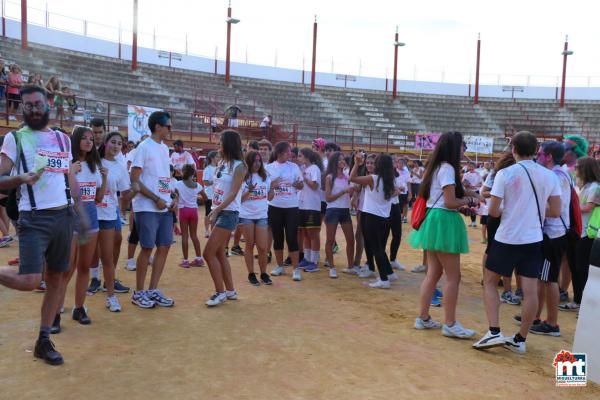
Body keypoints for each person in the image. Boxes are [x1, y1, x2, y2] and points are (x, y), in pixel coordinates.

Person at [0, 84, 78, 365]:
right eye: (28, 105)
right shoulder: (15, 139)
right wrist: (21, 179)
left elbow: (68, 179)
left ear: (48, 105)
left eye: (38, 104)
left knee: (57, 277)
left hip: (64, 216)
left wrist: (81, 213)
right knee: (32, 280)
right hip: (34, 218)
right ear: (22, 108)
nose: (34, 109)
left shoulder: (62, 139)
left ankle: (44, 339)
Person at [473, 131, 561, 354]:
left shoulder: (505, 173)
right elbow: (556, 211)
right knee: (530, 290)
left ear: (513, 149)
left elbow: (493, 211)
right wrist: (534, 209)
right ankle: (520, 339)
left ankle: (494, 331)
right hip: (533, 238)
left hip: (508, 236)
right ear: (536, 152)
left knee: (491, 282)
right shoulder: (550, 176)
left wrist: (511, 210)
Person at [410, 131, 477, 338]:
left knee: (433, 274)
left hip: (434, 220)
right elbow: (449, 202)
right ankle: (450, 323)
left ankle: (423, 317)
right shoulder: (448, 168)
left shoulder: (437, 166)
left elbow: (446, 197)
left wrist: (467, 196)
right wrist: (470, 201)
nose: (463, 150)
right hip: (444, 220)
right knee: (453, 276)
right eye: (461, 146)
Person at [515, 141, 570, 337]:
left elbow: (556, 210)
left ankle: (552, 323)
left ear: (548, 156)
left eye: (539, 154)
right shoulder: (558, 175)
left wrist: (531, 209)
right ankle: (535, 316)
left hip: (553, 233)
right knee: (543, 277)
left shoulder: (556, 176)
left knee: (549, 279)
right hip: (553, 232)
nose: (536, 156)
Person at [130, 111, 177, 308]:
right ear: (158, 126)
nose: (170, 129)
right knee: (147, 247)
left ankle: (152, 289)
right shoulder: (143, 147)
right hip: (147, 206)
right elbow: (135, 179)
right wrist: (156, 198)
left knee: (164, 246)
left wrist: (172, 196)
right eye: (168, 126)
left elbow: (164, 178)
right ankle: (139, 292)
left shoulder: (165, 149)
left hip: (164, 206)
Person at [203, 130, 246, 306]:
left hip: (228, 213)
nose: (217, 145)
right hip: (219, 211)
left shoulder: (239, 166)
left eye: (220, 142)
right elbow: (218, 189)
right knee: (219, 252)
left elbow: (234, 192)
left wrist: (217, 210)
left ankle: (219, 292)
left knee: (208, 253)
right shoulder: (222, 162)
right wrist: (214, 209)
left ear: (228, 144)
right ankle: (230, 290)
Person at [96, 131, 133, 312]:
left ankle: (111, 296)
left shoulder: (119, 166)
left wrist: (138, 188)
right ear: (105, 142)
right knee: (80, 259)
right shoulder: (92, 160)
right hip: (87, 214)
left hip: (108, 215)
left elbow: (125, 193)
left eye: (119, 143)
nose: (116, 146)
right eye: (113, 142)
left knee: (108, 258)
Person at [559, 157, 600, 312]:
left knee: (581, 269)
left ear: (585, 169)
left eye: (578, 167)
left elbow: (588, 208)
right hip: (577, 232)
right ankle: (577, 300)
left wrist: (569, 208)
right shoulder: (584, 186)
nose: (575, 169)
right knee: (575, 267)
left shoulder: (595, 187)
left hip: (586, 233)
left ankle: (583, 302)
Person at [350, 153, 395, 288]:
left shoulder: (373, 178)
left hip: (372, 217)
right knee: (379, 248)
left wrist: (357, 164)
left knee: (377, 250)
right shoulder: (390, 180)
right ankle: (389, 274)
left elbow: (352, 178)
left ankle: (384, 279)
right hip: (384, 218)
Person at [267, 141, 304, 281]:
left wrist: (298, 184)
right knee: (277, 237)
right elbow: (265, 187)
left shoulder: (294, 167)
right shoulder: (269, 167)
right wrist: (272, 184)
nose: (291, 154)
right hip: (274, 206)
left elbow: (301, 185)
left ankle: (296, 269)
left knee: (292, 237)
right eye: (288, 151)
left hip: (291, 207)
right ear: (281, 152)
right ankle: (280, 266)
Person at [559, 134, 589, 303]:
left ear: (574, 151)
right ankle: (560, 288)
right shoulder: (563, 169)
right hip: (565, 220)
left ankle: (563, 289)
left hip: (575, 222)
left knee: (569, 259)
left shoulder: (581, 171)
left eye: (566, 148)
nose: (563, 151)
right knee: (564, 257)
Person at [239, 150, 273, 285]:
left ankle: (264, 273)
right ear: (249, 162)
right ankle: (251, 274)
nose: (257, 163)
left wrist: (272, 190)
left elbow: (269, 197)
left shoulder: (265, 177)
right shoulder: (243, 177)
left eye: (259, 160)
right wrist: (250, 190)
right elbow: (240, 200)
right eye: (254, 160)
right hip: (246, 215)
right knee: (249, 245)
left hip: (261, 215)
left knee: (263, 247)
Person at [324, 151, 355, 278]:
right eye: (339, 160)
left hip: (345, 210)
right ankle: (332, 267)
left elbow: (350, 195)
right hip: (333, 210)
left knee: (351, 240)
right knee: (330, 240)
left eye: (343, 160)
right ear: (334, 162)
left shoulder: (348, 177)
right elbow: (328, 198)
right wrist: (344, 191)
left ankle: (351, 266)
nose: (342, 162)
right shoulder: (330, 177)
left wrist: (352, 192)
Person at [297, 148, 324, 273]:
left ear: (307, 157)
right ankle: (307, 259)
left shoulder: (314, 169)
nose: (299, 158)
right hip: (303, 205)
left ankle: (314, 262)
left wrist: (304, 178)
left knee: (313, 234)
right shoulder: (304, 169)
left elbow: (315, 186)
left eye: (301, 156)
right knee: (305, 233)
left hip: (312, 206)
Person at [174, 164, 205, 268]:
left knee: (185, 236)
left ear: (183, 172)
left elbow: (174, 196)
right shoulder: (197, 185)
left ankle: (186, 261)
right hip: (194, 211)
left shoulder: (178, 184)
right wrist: (197, 199)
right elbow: (205, 198)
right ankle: (199, 259)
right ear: (193, 174)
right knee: (194, 235)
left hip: (183, 211)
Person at [202, 151, 219, 238]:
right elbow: (205, 182)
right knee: (208, 213)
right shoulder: (207, 169)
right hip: (209, 195)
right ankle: (206, 230)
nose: (218, 158)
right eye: (217, 157)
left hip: (217, 195)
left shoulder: (219, 168)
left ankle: (214, 230)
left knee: (216, 213)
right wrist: (214, 181)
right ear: (212, 158)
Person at [462, 162, 483, 227]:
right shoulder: (466, 174)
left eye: (472, 166)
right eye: (469, 166)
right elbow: (464, 183)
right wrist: (469, 186)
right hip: (469, 192)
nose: (471, 167)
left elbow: (481, 183)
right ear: (468, 167)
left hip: (476, 192)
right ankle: (473, 222)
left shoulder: (478, 174)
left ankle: (479, 222)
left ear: (474, 166)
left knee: (475, 206)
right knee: (471, 207)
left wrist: (475, 186)